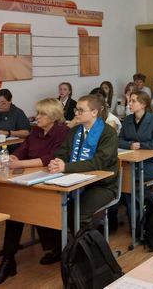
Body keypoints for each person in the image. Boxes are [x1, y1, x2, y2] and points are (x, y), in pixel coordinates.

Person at [0, 99, 69, 286]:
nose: (37, 117)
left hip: (48, 181)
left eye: (42, 114)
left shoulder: (63, 132)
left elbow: (50, 158)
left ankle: (5, 259)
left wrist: (20, 163)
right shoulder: (36, 131)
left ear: (53, 117)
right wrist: (13, 157)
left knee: (14, 207)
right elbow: (23, 149)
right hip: (27, 178)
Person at [46, 95, 119, 255]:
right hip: (74, 180)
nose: (76, 113)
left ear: (94, 112)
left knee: (78, 212)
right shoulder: (74, 131)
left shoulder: (108, 133)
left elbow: (98, 163)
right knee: (47, 206)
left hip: (102, 185)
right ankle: (61, 248)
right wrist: (57, 162)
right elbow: (62, 152)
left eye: (80, 110)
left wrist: (66, 167)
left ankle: (87, 253)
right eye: (76, 109)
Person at [119, 91, 153, 217]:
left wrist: (139, 145)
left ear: (143, 104)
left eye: (133, 101)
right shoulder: (127, 119)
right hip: (130, 162)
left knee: (127, 179)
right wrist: (130, 145)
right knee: (122, 177)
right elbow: (119, 140)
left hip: (149, 164)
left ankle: (137, 215)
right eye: (129, 101)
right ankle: (136, 213)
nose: (129, 104)